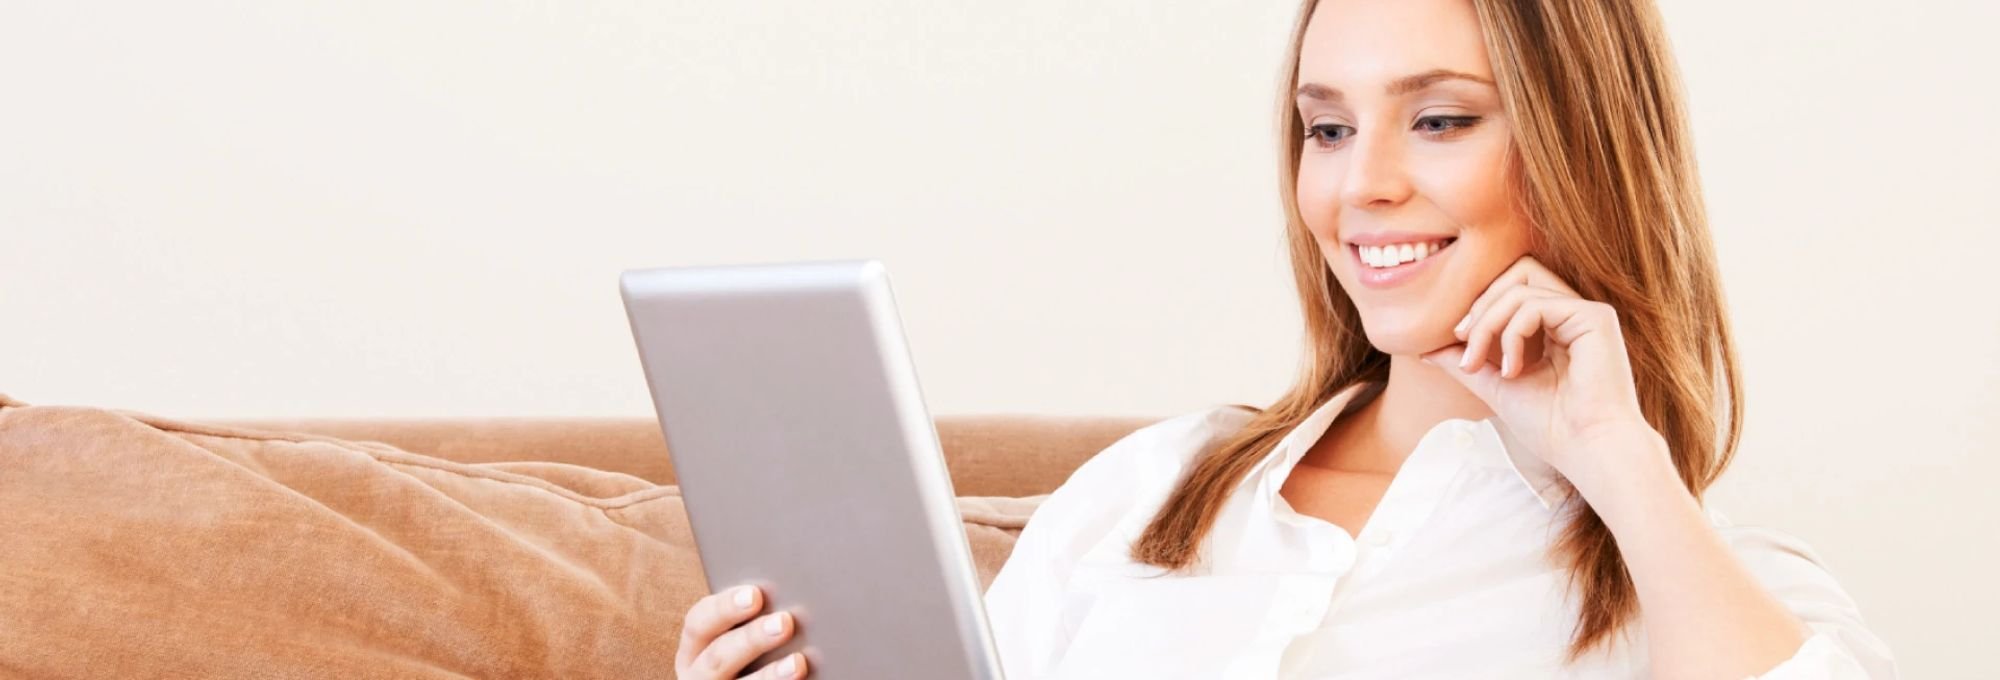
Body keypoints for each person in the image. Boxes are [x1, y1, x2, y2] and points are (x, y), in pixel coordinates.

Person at [674, 0, 1898, 678]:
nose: (1358, 185)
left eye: (1435, 119)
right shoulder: (1150, 492)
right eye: (1324, 129)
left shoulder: (1702, 580)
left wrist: (1619, 464)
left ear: (1581, 148)